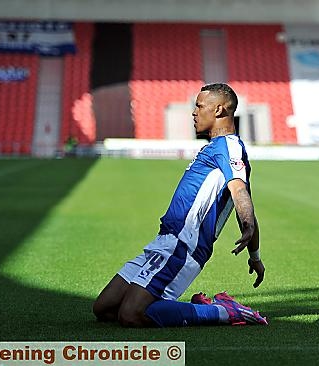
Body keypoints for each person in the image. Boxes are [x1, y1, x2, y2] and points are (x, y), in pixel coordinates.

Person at [93, 83, 267, 327]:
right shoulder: (215, 148)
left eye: (199, 106)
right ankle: (196, 308)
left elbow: (239, 191)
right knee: (104, 308)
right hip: (164, 240)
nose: (194, 112)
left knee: (131, 315)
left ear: (218, 110)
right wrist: (255, 256)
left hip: (185, 244)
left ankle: (223, 311)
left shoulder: (230, 146)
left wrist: (248, 226)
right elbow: (240, 194)